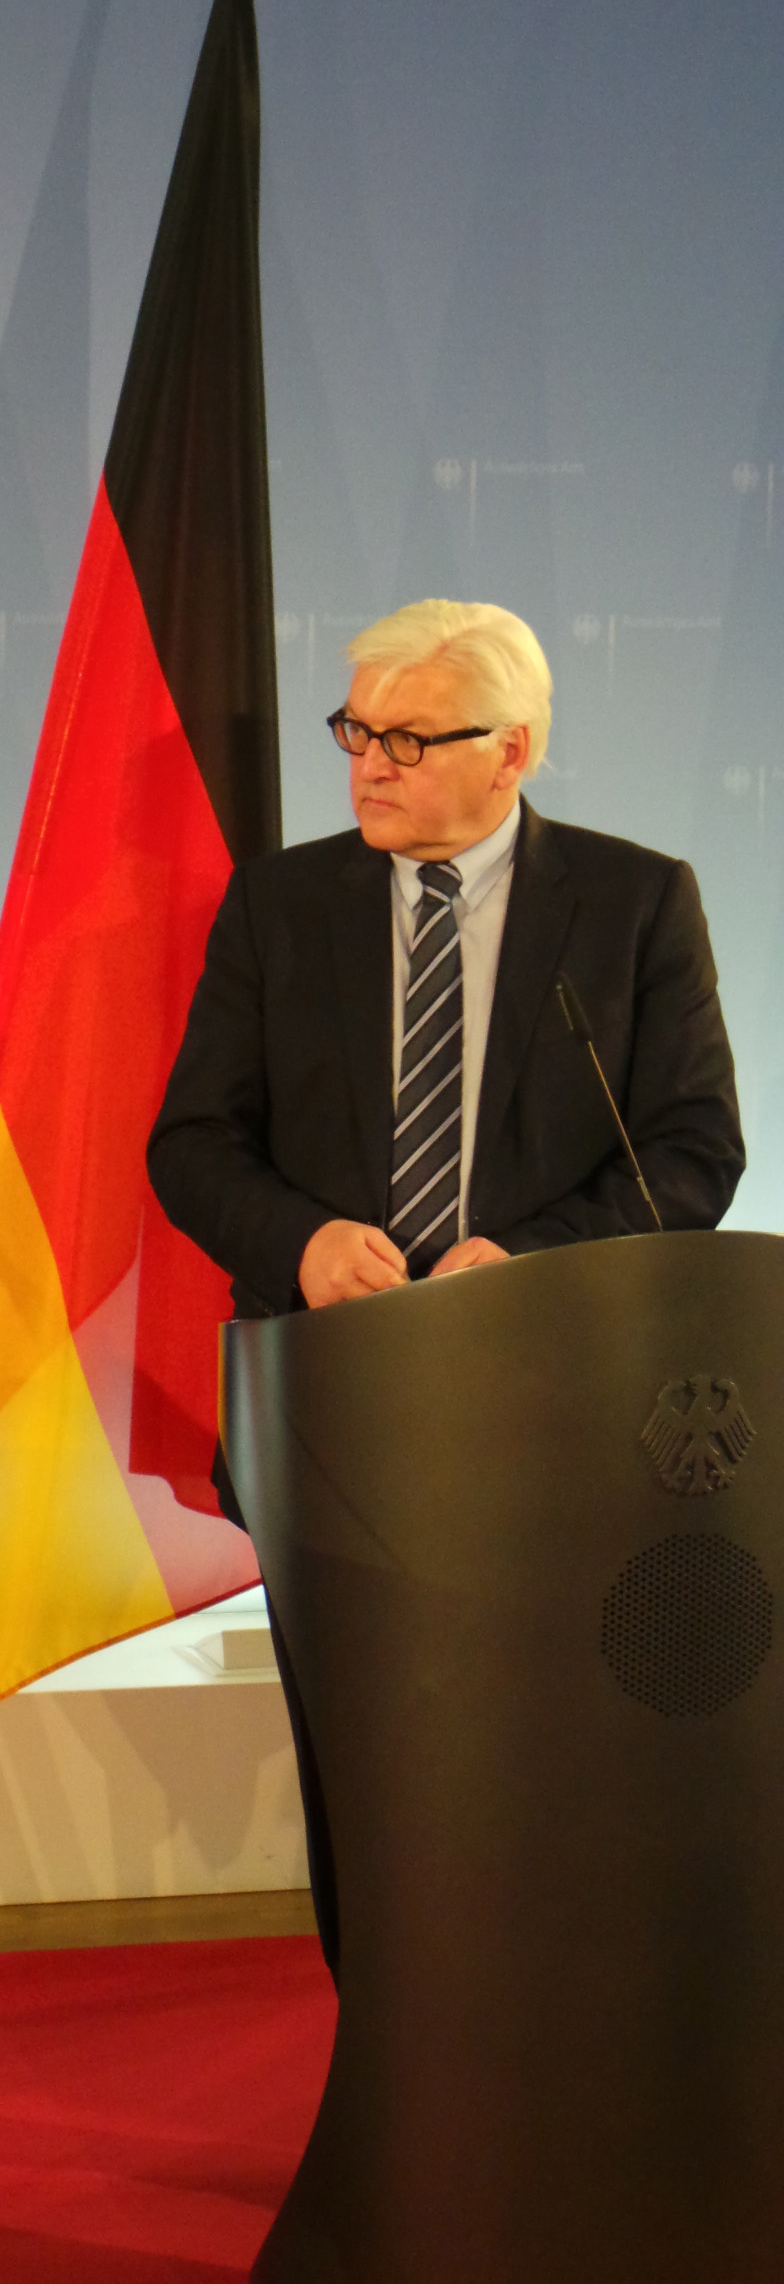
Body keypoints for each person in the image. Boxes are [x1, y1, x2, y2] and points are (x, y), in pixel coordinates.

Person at [147, 597, 743, 1966]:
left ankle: (557, 2063)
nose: (369, 765)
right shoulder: (282, 903)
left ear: (512, 751)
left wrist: (525, 1267)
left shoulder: (637, 902)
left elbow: (695, 1149)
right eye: (357, 731)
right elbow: (191, 1144)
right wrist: (299, 1240)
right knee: (363, 1775)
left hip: (561, 1416)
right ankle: (384, 2072)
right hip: (330, 1410)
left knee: (554, 1778)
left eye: (410, 739)